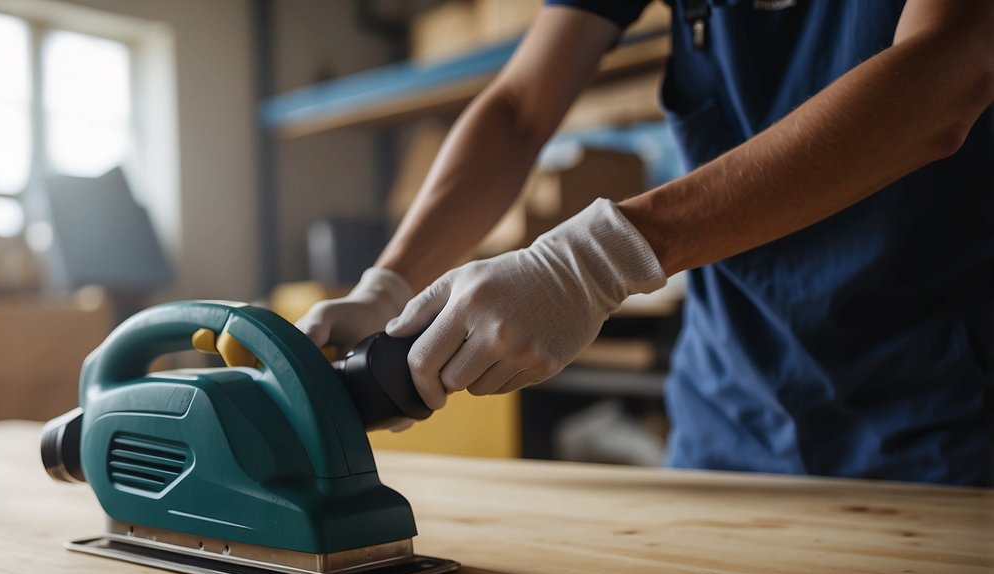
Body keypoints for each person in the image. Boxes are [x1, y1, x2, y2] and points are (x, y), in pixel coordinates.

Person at [296, 0, 994, 486]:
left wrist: (594, 260)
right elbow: (517, 108)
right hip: (730, 420)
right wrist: (387, 285)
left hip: (945, 419)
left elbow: (945, 74)